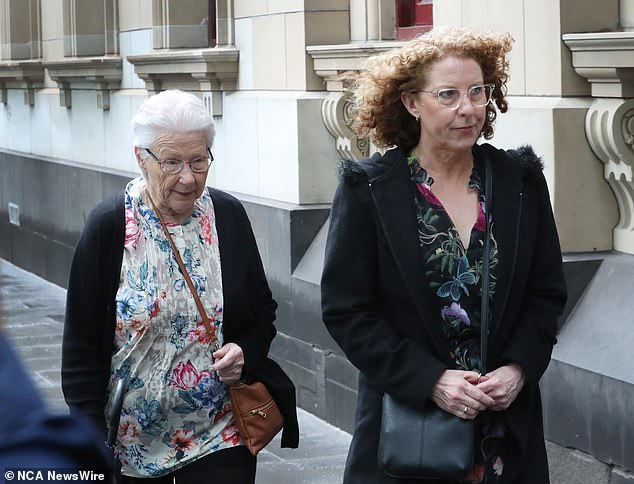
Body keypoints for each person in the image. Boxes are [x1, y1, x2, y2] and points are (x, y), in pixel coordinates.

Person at [321, 26, 567, 484]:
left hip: (504, 430)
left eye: (478, 91)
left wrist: (518, 369)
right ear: (412, 102)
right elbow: (346, 311)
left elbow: (546, 293)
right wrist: (431, 380)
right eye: (449, 94)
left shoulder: (520, 182)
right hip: (409, 428)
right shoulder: (370, 189)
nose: (468, 108)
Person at [62, 89, 299, 483]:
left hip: (218, 433)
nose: (188, 178)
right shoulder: (110, 227)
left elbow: (262, 310)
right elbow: (81, 346)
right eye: (171, 162)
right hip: (129, 444)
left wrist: (245, 350)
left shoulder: (228, 216)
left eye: (199, 161)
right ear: (141, 158)